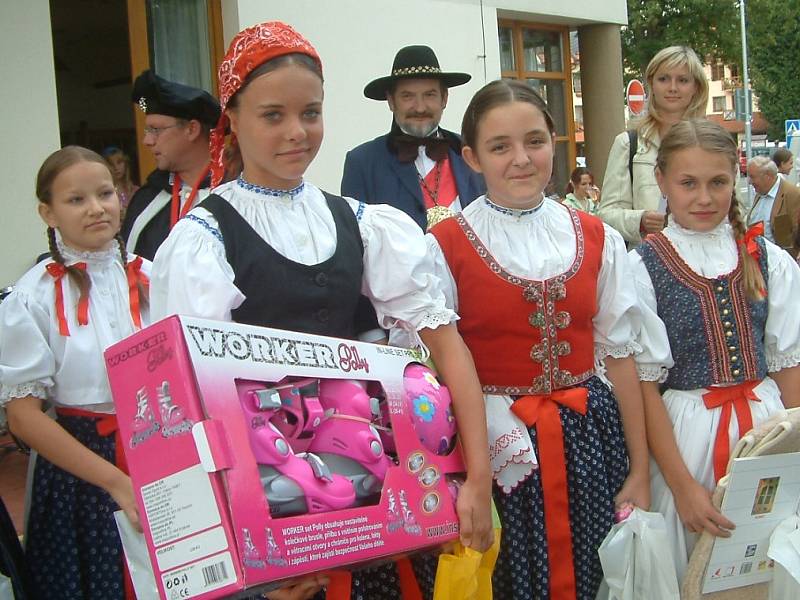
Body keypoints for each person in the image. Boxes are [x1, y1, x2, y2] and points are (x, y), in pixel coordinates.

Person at [150, 21, 493, 600]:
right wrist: (247, 547)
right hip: (267, 505)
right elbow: (194, 408)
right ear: (232, 118)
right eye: (273, 115)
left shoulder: (361, 222)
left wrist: (476, 476)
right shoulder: (204, 240)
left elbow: (446, 345)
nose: (296, 132)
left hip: (367, 486)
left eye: (310, 113)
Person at [423, 79, 650, 599]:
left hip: (590, 441)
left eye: (534, 141)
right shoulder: (443, 246)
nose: (521, 159)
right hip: (500, 451)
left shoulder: (597, 236)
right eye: (500, 147)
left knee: (597, 572)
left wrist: (638, 469)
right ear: (472, 157)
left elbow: (619, 358)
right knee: (513, 580)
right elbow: (433, 379)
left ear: (555, 140)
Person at [629, 119, 800, 581]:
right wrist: (682, 486)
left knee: (768, 555)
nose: (704, 198)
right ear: (661, 181)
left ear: (735, 179)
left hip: (767, 427)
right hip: (686, 438)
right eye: (688, 183)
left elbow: (788, 365)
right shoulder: (642, 267)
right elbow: (644, 386)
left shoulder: (766, 257)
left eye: (718, 182)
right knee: (698, 560)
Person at [0, 146, 151, 599]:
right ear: (48, 212)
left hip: (158, 447)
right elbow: (23, 418)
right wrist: (116, 483)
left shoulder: (152, 276)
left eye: (105, 193)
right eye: (76, 200)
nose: (96, 208)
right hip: (79, 470)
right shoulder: (31, 297)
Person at [341, 45, 485, 231]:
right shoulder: (362, 163)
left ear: (444, 99)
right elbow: (355, 241)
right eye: (407, 96)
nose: (419, 107)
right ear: (391, 101)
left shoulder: (471, 153)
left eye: (429, 95)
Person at [599, 46, 708, 244]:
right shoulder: (628, 144)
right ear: (652, 84)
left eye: (683, 80)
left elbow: (737, 213)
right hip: (647, 265)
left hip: (704, 265)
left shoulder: (713, 145)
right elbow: (606, 215)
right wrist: (639, 220)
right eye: (664, 79)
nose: (672, 87)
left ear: (696, 88)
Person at [120, 69, 220, 260]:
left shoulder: (235, 196)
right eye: (147, 130)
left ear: (192, 129)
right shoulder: (146, 199)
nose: (147, 141)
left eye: (156, 129)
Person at [747, 155, 800, 255]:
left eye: (752, 177)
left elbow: (794, 234)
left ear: (767, 176)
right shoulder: (760, 192)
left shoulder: (793, 195)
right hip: (759, 258)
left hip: (782, 263)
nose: (749, 182)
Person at [102, 146, 139, 218]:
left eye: (119, 162)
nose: (116, 167)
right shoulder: (103, 193)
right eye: (111, 164)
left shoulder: (136, 191)